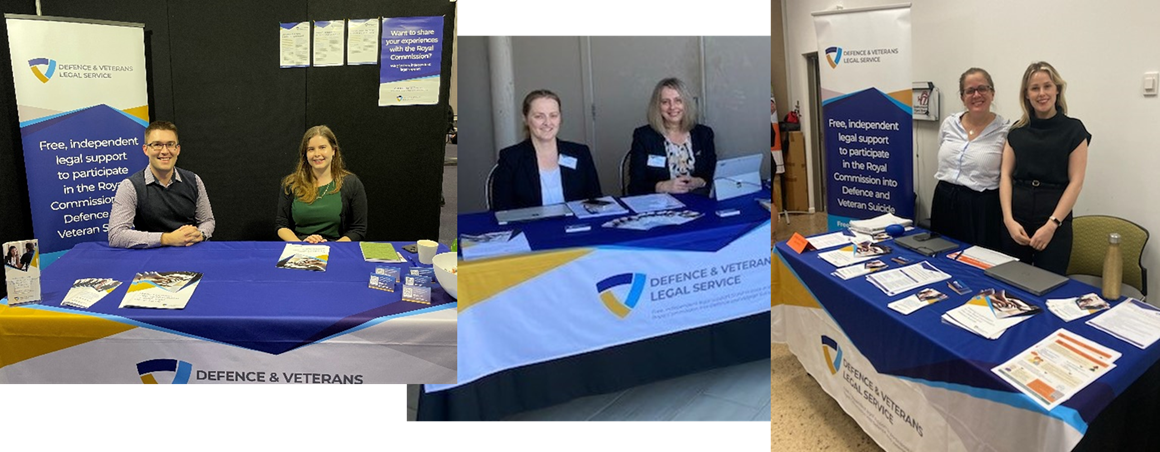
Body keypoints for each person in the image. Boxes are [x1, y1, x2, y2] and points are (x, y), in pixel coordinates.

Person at [1000, 61, 1090, 275]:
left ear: (1057, 89)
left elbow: (1076, 182)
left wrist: (1052, 225)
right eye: (1035, 88)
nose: (1042, 93)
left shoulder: (1074, 130)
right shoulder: (1016, 131)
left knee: (1048, 284)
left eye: (1047, 86)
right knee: (1011, 282)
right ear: (1027, 94)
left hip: (1053, 221)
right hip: (1016, 218)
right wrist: (1008, 220)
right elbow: (1005, 175)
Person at [930, 68, 1010, 251]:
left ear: (992, 93)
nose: (976, 95)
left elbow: (1007, 176)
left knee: (977, 262)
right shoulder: (949, 124)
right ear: (962, 96)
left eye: (982, 88)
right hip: (944, 200)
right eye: (970, 90)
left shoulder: (1005, 131)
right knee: (941, 257)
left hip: (981, 208)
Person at [108, 121, 216, 248]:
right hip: (149, 257)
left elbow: (207, 221)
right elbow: (116, 235)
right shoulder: (130, 187)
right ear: (146, 150)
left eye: (170, 144)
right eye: (157, 145)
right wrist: (167, 238)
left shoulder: (194, 180)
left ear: (178, 149)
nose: (164, 151)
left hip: (190, 252)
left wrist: (200, 234)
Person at [491, 89, 602, 211]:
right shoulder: (511, 158)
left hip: (576, 227)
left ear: (560, 118)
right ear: (526, 119)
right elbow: (502, 210)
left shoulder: (580, 153)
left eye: (553, 115)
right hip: (531, 228)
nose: (547, 122)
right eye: (539, 116)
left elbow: (596, 201)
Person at [276, 125, 368, 243]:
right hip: (300, 247)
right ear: (305, 154)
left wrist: (332, 247)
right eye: (311, 149)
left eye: (322, 147)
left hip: (337, 248)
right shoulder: (291, 184)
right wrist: (300, 244)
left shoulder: (352, 184)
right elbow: (281, 225)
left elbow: (358, 229)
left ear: (333, 150)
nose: (317, 154)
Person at [627, 77, 717, 196]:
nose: (672, 107)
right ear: (657, 106)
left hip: (698, 201)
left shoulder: (704, 134)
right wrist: (662, 186)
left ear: (686, 104)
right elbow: (635, 186)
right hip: (660, 205)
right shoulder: (644, 136)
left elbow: (715, 175)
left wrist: (700, 181)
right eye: (665, 102)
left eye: (678, 100)